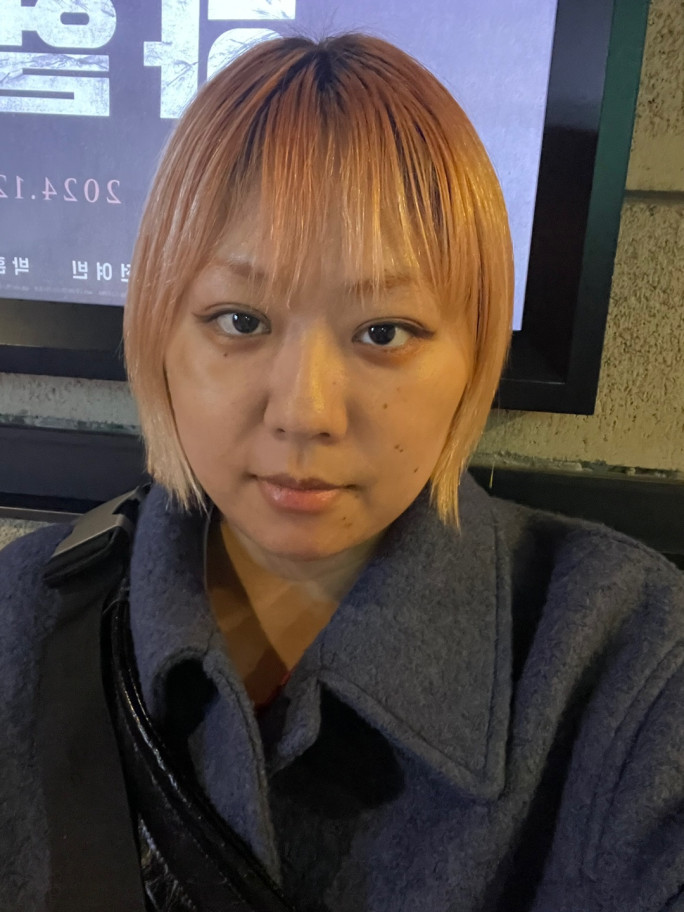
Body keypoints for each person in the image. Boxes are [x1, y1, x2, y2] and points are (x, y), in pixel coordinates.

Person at [1, 33, 683, 912]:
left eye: (384, 332)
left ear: (475, 354)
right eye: (240, 320)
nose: (306, 412)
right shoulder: (25, 617)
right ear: (158, 333)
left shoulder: (627, 660)